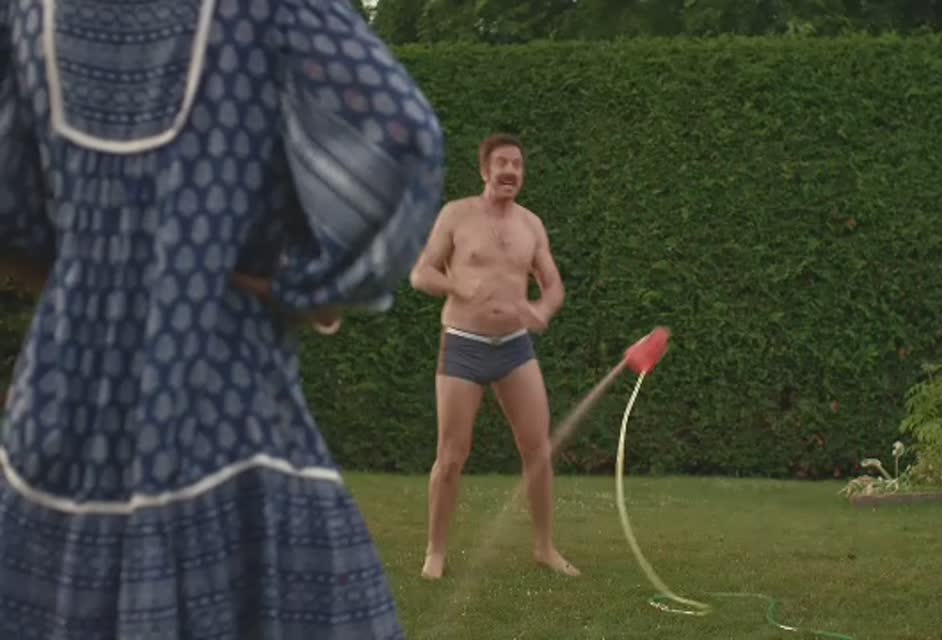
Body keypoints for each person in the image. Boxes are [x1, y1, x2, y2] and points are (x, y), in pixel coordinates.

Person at [0, 1, 445, 638]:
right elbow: (403, 142)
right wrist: (308, 284)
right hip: (226, 411)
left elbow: (14, 212)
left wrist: (95, 272)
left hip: (59, 421)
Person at [410, 133, 578, 580]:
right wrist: (456, 286)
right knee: (452, 454)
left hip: (515, 348)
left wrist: (543, 310)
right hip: (463, 344)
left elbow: (553, 286)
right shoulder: (456, 215)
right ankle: (436, 552)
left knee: (538, 449)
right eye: (502, 163)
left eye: (517, 165)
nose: (510, 171)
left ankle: (544, 548)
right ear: (485, 170)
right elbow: (421, 274)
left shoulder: (531, 225)